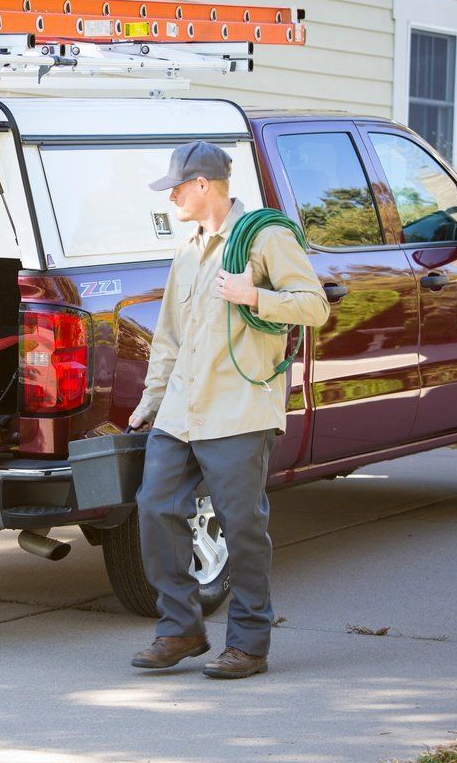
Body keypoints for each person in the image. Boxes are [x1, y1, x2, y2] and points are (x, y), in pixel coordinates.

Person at [127, 141, 329, 679]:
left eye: (176, 186)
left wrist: (254, 296)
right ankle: (181, 629)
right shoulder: (188, 247)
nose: (170, 196)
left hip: (239, 408)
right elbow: (167, 336)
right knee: (154, 508)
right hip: (180, 410)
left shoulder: (266, 236)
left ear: (202, 185)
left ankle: (249, 645)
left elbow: (315, 306)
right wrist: (149, 403)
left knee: (241, 527)